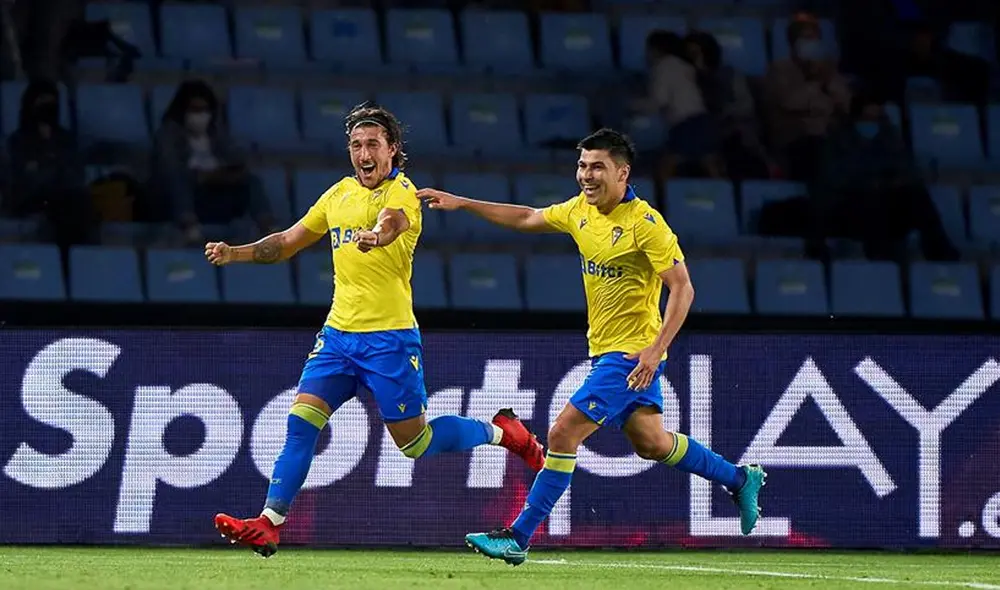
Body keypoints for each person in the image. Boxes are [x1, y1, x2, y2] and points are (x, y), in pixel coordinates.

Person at [206, 103, 545, 557]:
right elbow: (286, 242)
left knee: (415, 443)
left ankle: (506, 434)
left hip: (389, 340)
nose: (364, 153)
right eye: (356, 145)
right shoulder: (338, 195)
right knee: (301, 422)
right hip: (338, 338)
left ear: (392, 151)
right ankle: (270, 522)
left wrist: (377, 237)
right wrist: (236, 254)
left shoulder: (402, 193)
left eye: (372, 145)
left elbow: (393, 223)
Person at [417, 129, 765, 566]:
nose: (586, 175)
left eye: (597, 166)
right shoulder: (579, 210)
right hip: (609, 352)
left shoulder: (646, 224)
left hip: (632, 354)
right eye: (582, 165)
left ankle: (518, 536)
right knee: (652, 443)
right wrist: (464, 202)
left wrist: (655, 351)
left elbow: (683, 289)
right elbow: (527, 218)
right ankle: (738, 477)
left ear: (623, 173)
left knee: (563, 432)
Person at [151, 80, 275, 244]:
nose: (201, 115)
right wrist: (200, 176)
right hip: (183, 198)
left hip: (216, 193)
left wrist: (222, 175)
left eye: (205, 110)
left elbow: (237, 162)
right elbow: (168, 168)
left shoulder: (217, 135)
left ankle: (269, 231)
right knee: (178, 180)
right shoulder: (168, 135)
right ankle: (189, 227)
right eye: (195, 110)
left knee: (252, 181)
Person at [5, 78, 95, 249]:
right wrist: (51, 163)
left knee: (77, 205)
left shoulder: (66, 139)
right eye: (42, 103)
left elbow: (74, 175)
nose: (47, 108)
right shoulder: (17, 141)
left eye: (52, 103)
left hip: (63, 199)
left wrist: (45, 164)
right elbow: (22, 181)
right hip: (30, 200)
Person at [762, 12, 850, 183]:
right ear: (792, 43)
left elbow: (846, 105)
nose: (810, 43)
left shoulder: (830, 69)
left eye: (814, 38)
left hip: (831, 139)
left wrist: (826, 80)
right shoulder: (779, 69)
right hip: (796, 141)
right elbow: (790, 102)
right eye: (803, 38)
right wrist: (815, 82)